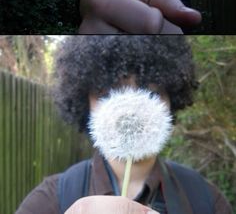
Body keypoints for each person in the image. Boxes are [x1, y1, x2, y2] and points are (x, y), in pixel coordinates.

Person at [16, 36, 232, 214]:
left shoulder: (206, 200)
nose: (130, 110)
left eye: (151, 93)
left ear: (171, 101)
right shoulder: (49, 200)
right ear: (85, 103)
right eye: (108, 94)